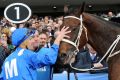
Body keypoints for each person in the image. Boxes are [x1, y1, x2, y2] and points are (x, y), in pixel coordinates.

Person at [0, 26, 71, 80]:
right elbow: (49, 58)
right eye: (31, 38)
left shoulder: (8, 59)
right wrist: (58, 39)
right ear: (24, 42)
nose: (35, 40)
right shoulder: (26, 54)